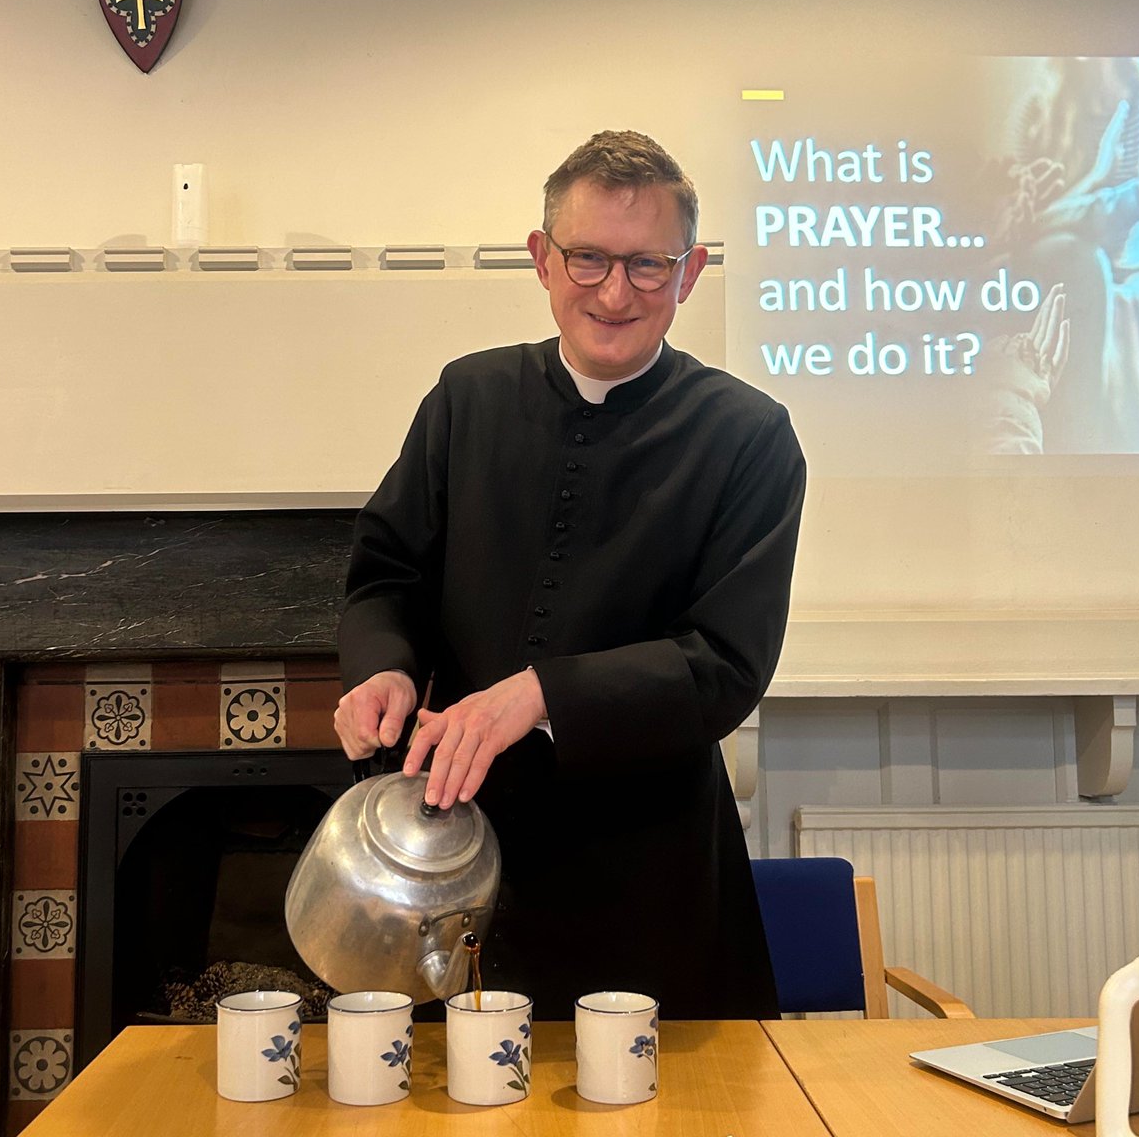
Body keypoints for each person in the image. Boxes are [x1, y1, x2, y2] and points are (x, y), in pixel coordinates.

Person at [333, 130, 806, 1020]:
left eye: (647, 265)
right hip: (463, 847)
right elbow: (386, 571)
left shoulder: (749, 436)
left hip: (649, 867)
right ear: (542, 261)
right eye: (588, 259)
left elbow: (725, 664)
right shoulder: (465, 400)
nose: (615, 293)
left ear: (691, 272)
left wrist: (539, 695)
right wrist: (382, 666)